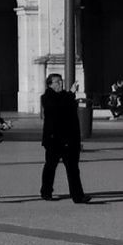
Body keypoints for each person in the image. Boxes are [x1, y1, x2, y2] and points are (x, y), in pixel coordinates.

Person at [40, 74, 91, 204]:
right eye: (57, 82)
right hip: (54, 140)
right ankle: (46, 191)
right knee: (50, 166)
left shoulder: (65, 96)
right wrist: (71, 94)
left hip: (69, 139)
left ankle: (78, 196)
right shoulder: (47, 97)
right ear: (50, 84)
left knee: (73, 168)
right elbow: (57, 109)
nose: (61, 84)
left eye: (61, 81)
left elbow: (69, 110)